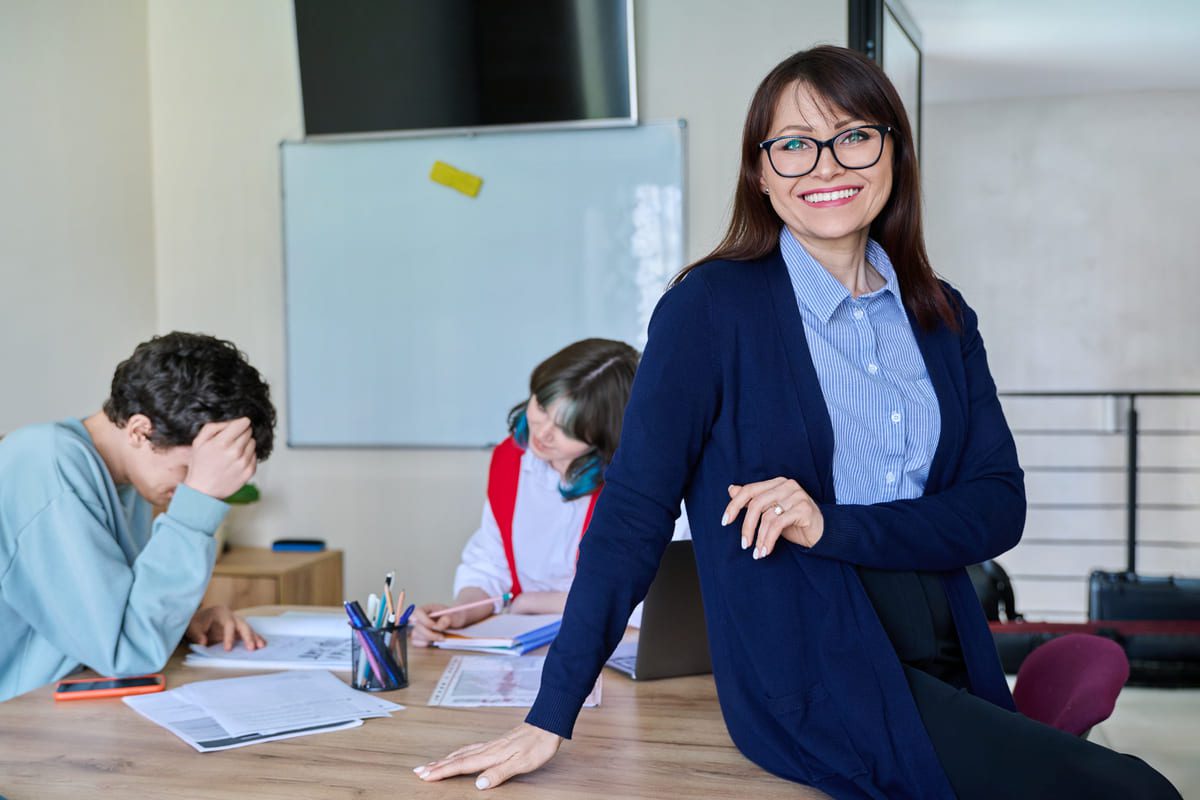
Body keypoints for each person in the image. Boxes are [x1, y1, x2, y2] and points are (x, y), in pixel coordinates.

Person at [412, 47, 1182, 799]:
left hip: (950, 637)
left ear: (892, 151)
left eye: (853, 136)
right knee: (1136, 789)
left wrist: (831, 524)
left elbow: (997, 507)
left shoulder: (942, 316)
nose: (826, 165)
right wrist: (552, 713)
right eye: (794, 145)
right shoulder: (710, 309)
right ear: (760, 169)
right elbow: (634, 514)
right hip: (810, 664)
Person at [0, 332, 276, 702]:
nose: (185, 489)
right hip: (20, 721)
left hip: (64, 704)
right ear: (139, 431)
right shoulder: (47, 465)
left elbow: (110, 613)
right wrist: (198, 501)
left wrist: (181, 624)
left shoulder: (129, 481)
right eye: (187, 471)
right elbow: (126, 653)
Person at [412, 338, 680, 644]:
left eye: (567, 429)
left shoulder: (638, 485)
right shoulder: (511, 459)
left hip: (610, 650)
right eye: (541, 406)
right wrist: (459, 613)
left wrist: (538, 602)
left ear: (606, 434)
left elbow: (658, 603)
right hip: (525, 648)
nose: (542, 433)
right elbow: (490, 566)